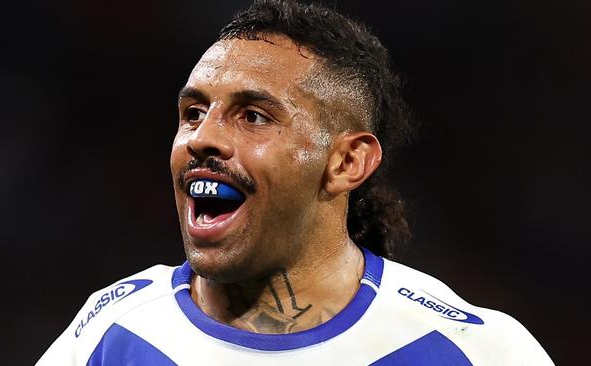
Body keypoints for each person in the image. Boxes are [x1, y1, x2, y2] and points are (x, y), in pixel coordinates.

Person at [36, 1, 554, 364]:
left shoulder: (469, 350)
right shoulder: (115, 334)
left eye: (254, 116)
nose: (202, 138)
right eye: (193, 112)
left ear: (348, 162)